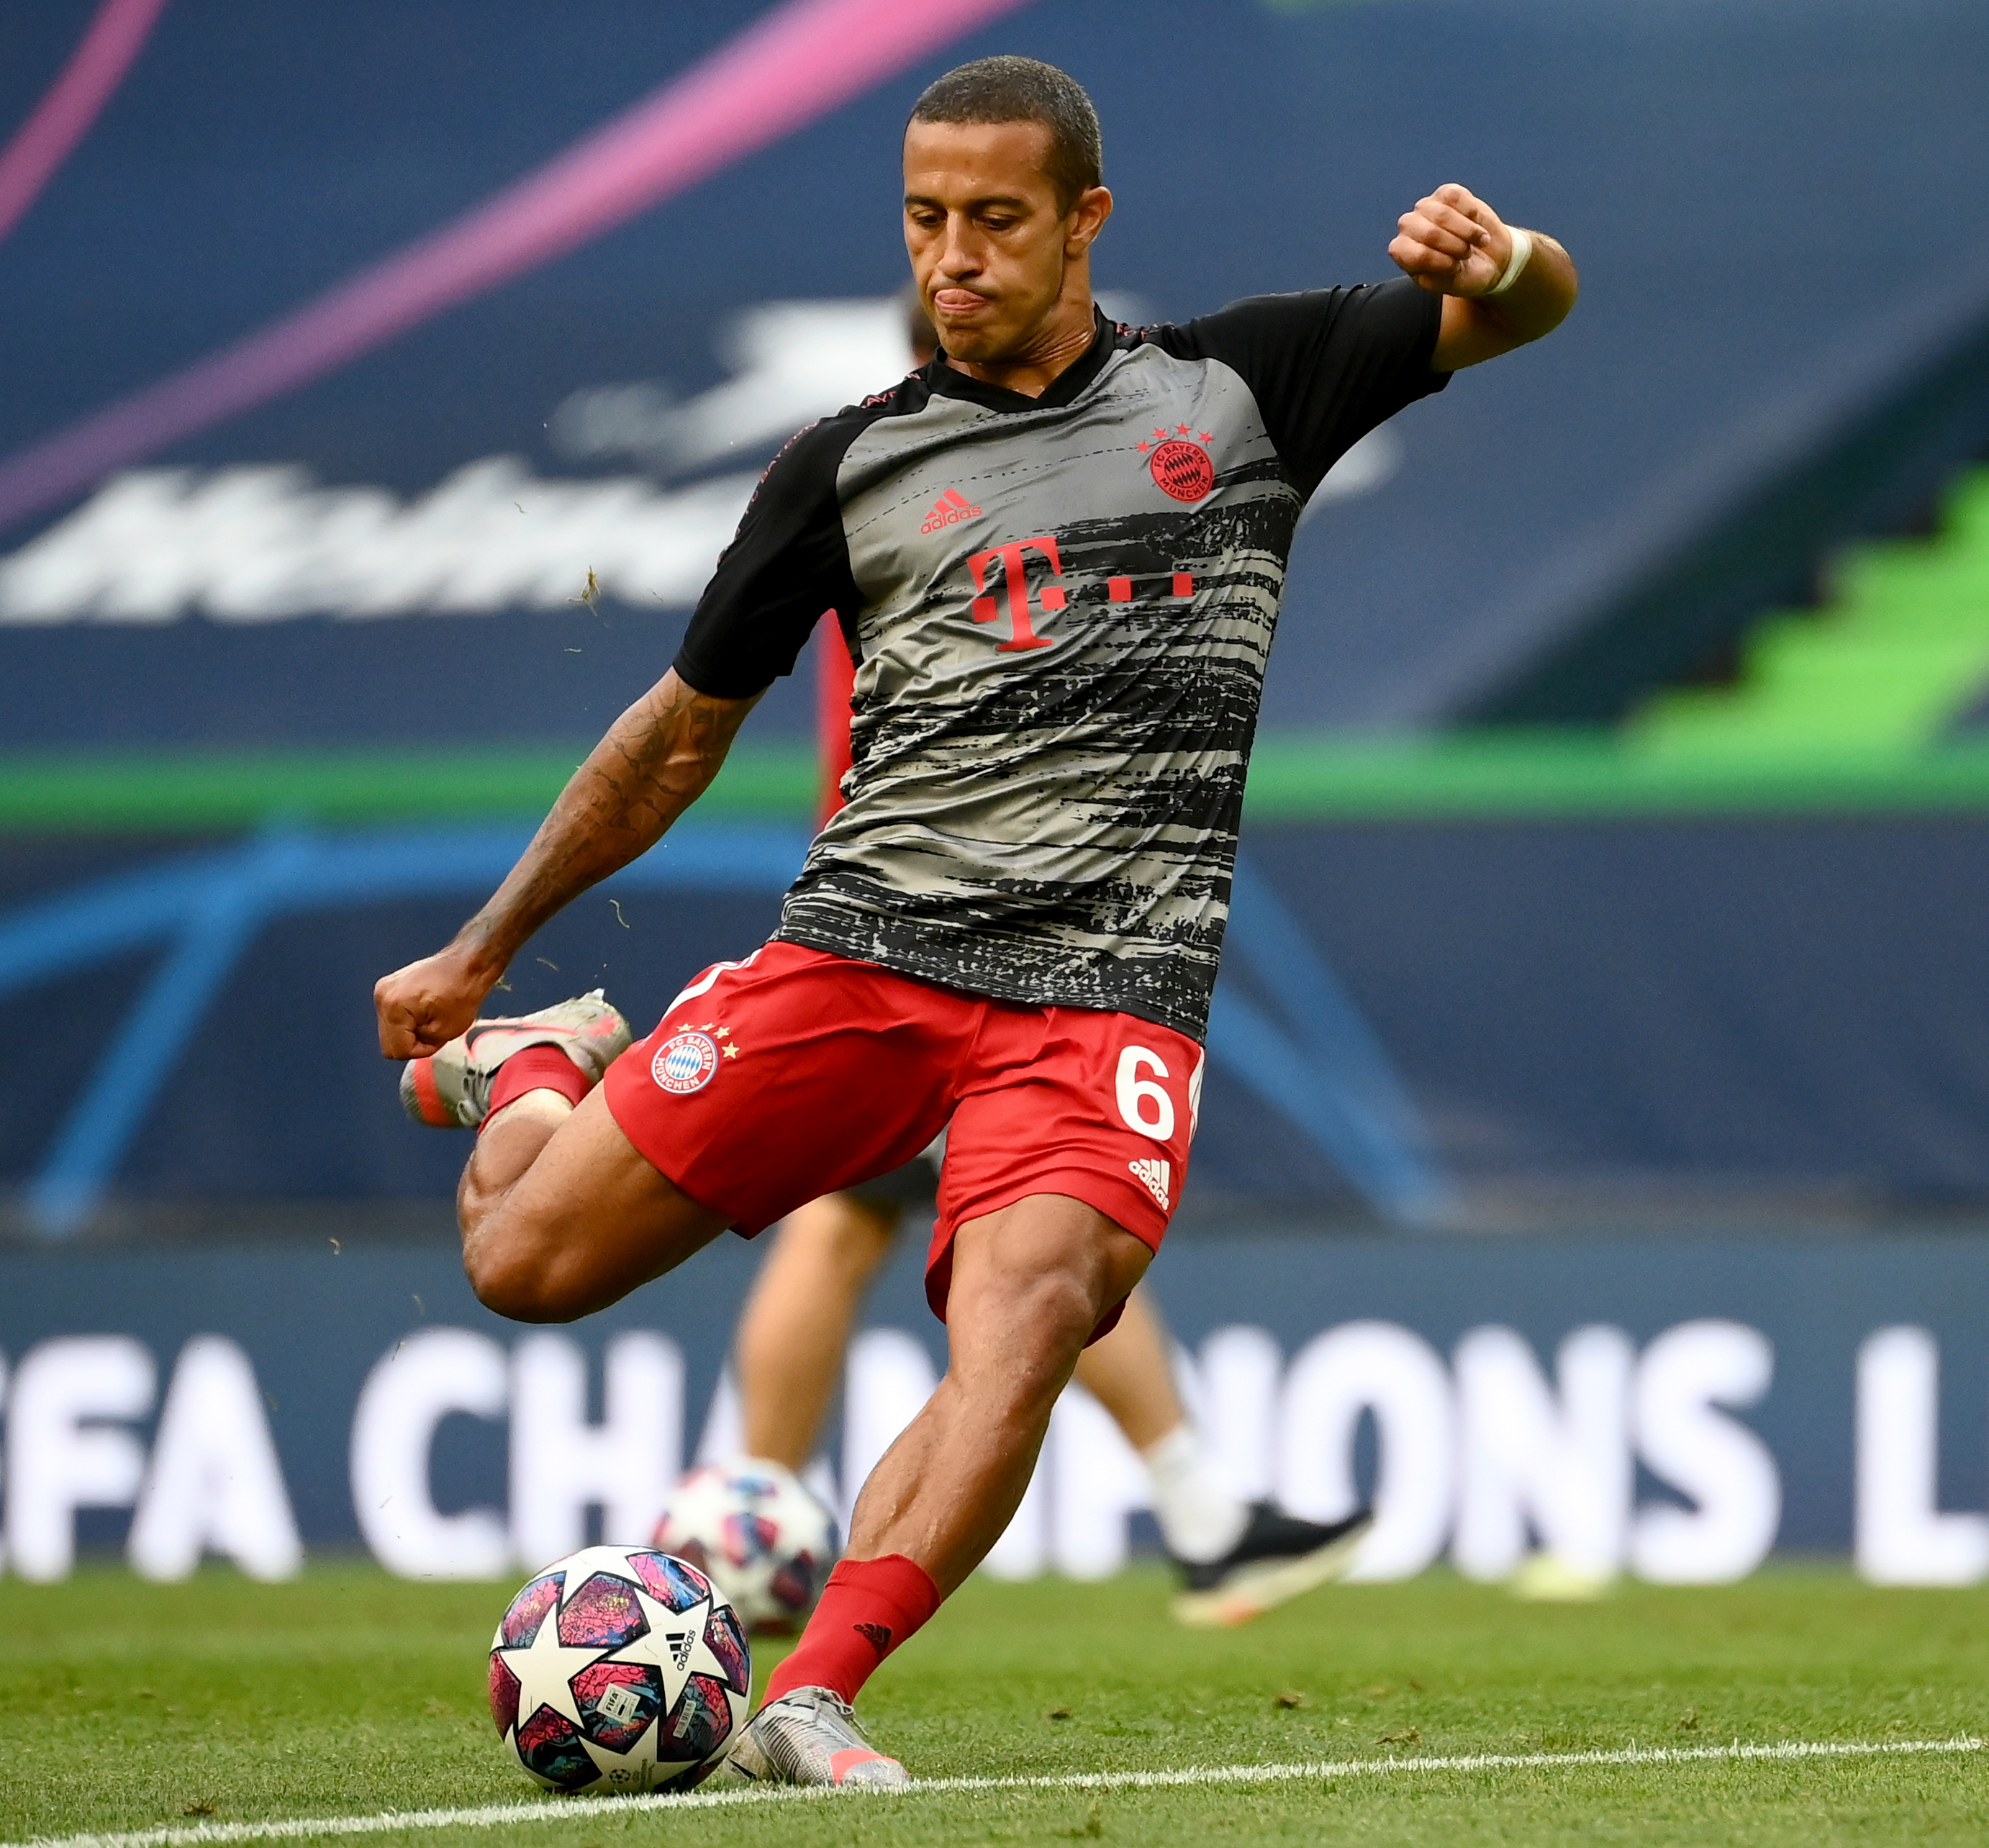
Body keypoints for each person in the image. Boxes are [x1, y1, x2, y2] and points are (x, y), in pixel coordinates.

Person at [373, 53, 1575, 1789]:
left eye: (996, 221)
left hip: (1108, 988)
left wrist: (1504, 251)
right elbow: (674, 738)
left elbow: (1533, 307)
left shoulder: (1247, 383)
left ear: (1085, 219)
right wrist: (489, 946)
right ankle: (551, 1059)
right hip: (869, 947)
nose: (955, 258)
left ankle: (817, 1690)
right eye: (927, 221)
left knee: (1032, 1306)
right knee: (523, 1264)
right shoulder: (846, 468)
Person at [732, 1143, 1370, 1628]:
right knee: (1044, 1213)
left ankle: (753, 1537)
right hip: (978, 977)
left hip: (905, 976)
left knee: (852, 1215)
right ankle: (753, 1540)